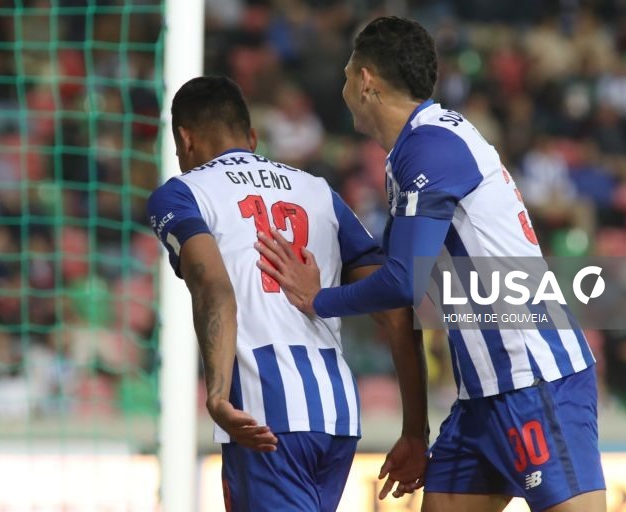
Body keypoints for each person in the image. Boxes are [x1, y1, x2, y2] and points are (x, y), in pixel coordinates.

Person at [256, 16, 606, 512]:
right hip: (479, 396)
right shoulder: (412, 153)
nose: (343, 87)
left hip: (536, 378)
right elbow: (405, 305)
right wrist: (415, 431)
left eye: (346, 74)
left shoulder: (431, 148)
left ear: (366, 80)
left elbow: (402, 284)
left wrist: (317, 299)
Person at [147, 75, 429, 511]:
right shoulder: (319, 191)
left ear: (184, 139)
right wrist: (415, 430)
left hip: (265, 414)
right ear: (253, 137)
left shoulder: (183, 193)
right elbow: (396, 310)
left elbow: (213, 287)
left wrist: (218, 395)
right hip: (336, 415)